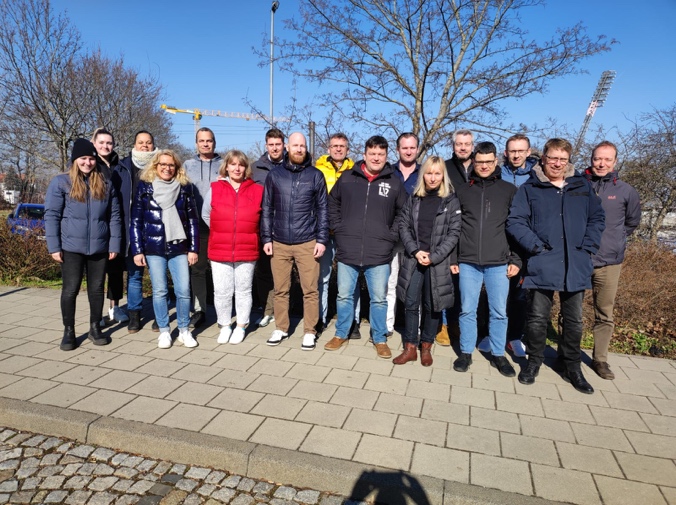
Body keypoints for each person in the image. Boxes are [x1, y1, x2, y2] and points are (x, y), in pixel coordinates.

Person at [507, 138, 605, 394]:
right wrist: (535, 246)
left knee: (573, 320)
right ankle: (534, 362)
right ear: (543, 159)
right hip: (543, 261)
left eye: (563, 159)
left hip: (575, 262)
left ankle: (572, 366)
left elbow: (597, 218)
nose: (557, 163)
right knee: (537, 318)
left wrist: (588, 246)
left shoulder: (582, 186)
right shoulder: (530, 189)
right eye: (553, 158)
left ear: (568, 161)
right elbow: (516, 221)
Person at [325, 135, 407, 358]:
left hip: (379, 251)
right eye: (372, 153)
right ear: (364, 154)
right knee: (344, 295)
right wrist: (338, 229)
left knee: (379, 298)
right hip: (348, 248)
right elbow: (332, 203)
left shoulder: (394, 183)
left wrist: (391, 236)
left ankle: (379, 338)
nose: (376, 158)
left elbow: (403, 212)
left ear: (386, 156)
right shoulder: (347, 178)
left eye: (381, 154)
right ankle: (341, 333)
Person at [451, 142, 521, 377]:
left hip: (499, 262)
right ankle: (465, 352)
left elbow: (516, 227)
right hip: (468, 260)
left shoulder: (508, 191)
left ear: (495, 162)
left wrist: (516, 259)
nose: (483, 166)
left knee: (499, 312)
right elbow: (454, 227)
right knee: (467, 310)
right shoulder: (463, 191)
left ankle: (498, 354)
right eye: (479, 162)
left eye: (488, 162)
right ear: (473, 162)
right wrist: (453, 257)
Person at [45, 138, 122, 351]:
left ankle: (95, 328)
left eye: (91, 158)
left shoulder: (105, 184)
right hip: (70, 248)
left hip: (100, 247)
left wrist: (114, 244)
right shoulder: (61, 182)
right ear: (75, 160)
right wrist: (54, 246)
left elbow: (114, 216)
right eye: (83, 158)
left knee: (96, 290)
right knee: (70, 290)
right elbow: (51, 215)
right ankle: (68, 331)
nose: (87, 163)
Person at [261, 132, 329, 350]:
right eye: (295, 145)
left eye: (302, 145)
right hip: (279, 242)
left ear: (306, 148)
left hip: (307, 241)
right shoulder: (275, 175)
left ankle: (310, 331)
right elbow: (266, 208)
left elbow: (323, 209)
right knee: (280, 289)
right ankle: (281, 328)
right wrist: (266, 237)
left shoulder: (316, 175)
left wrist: (321, 239)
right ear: (287, 147)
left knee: (310, 290)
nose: (299, 149)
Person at [395, 156, 461, 366]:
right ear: (423, 175)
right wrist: (415, 251)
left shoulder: (450, 200)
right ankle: (410, 347)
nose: (433, 178)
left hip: (437, 262)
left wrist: (434, 256)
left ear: (443, 175)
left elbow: (454, 233)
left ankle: (426, 346)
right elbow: (403, 225)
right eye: (429, 173)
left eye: (437, 173)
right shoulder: (414, 198)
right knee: (410, 302)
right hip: (414, 259)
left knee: (433, 304)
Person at [130, 150, 200, 349]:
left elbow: (193, 221)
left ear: (176, 167)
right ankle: (164, 331)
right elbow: (136, 221)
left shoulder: (184, 188)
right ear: (156, 166)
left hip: (179, 247)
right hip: (154, 248)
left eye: (171, 165)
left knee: (183, 291)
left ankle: (184, 330)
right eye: (163, 164)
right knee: (160, 291)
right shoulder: (145, 188)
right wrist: (137, 250)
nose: (167, 168)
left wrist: (193, 248)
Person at [584, 141, 641, 380]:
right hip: (579, 258)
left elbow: (632, 222)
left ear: (615, 162)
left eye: (607, 159)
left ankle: (600, 359)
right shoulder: (577, 185)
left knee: (604, 313)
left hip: (609, 262)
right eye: (598, 158)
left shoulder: (626, 191)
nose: (602, 163)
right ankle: (567, 355)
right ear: (591, 159)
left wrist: (613, 240)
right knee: (570, 310)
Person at [479, 133, 538, 358]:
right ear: (505, 153)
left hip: (523, 242)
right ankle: (488, 334)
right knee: (492, 293)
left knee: (519, 295)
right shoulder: (496, 173)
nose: (516, 155)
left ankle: (514, 337)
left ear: (528, 152)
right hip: (498, 241)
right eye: (512, 151)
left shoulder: (535, 177)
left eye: (520, 151)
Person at [202, 150, 264, 345]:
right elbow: (206, 214)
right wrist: (221, 230)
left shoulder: (257, 190)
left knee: (244, 290)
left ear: (246, 168)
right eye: (233, 164)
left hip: (247, 248)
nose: (237, 168)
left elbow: (263, 218)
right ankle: (225, 325)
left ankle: (241, 325)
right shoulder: (215, 188)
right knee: (222, 291)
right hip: (220, 248)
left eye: (241, 164)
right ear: (226, 167)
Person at [112, 130, 160, 333]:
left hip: (156, 227)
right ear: (134, 145)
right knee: (134, 275)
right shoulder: (123, 166)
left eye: (148, 142)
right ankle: (134, 315)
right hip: (132, 228)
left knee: (158, 276)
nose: (145, 146)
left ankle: (159, 315)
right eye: (141, 142)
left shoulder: (161, 164)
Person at [315, 133, 360, 336]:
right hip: (324, 231)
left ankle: (353, 321)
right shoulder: (317, 169)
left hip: (348, 233)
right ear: (328, 148)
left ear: (348, 150)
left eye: (342, 146)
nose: (338, 149)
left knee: (350, 280)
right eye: (335, 146)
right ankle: (320, 319)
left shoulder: (356, 171)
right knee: (322, 278)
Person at [437, 129, 475, 346]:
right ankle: (443, 325)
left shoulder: (480, 167)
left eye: (467, 144)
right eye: (459, 144)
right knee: (446, 280)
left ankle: (458, 324)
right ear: (453, 146)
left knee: (465, 282)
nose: (463, 147)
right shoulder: (446, 167)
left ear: (472, 146)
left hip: (472, 230)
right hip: (448, 228)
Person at [183, 127, 222, 330]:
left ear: (214, 142)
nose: (205, 144)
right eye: (202, 141)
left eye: (209, 140)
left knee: (221, 269)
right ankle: (200, 311)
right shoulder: (187, 165)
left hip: (219, 226)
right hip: (196, 226)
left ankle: (224, 310)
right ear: (196, 143)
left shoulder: (224, 165)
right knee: (197, 269)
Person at [91, 128, 129, 326]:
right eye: (102, 142)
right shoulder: (90, 164)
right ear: (94, 143)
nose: (106, 146)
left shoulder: (119, 166)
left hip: (117, 223)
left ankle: (115, 307)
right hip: (97, 224)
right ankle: (96, 314)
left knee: (116, 270)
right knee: (97, 273)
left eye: (109, 143)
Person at [386, 132, 421, 340]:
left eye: (412, 147)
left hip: (415, 239)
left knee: (413, 286)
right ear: (398, 149)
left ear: (417, 149)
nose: (408, 151)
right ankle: (386, 326)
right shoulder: (388, 173)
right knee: (389, 284)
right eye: (404, 147)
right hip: (390, 237)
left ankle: (414, 329)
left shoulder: (424, 173)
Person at [250, 128, 285, 328]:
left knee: (283, 273)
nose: (274, 148)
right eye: (271, 145)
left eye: (278, 144)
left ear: (283, 145)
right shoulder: (255, 168)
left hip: (286, 227)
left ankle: (283, 310)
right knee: (264, 271)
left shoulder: (292, 165)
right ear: (266, 146)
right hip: (262, 226)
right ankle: (266, 310)